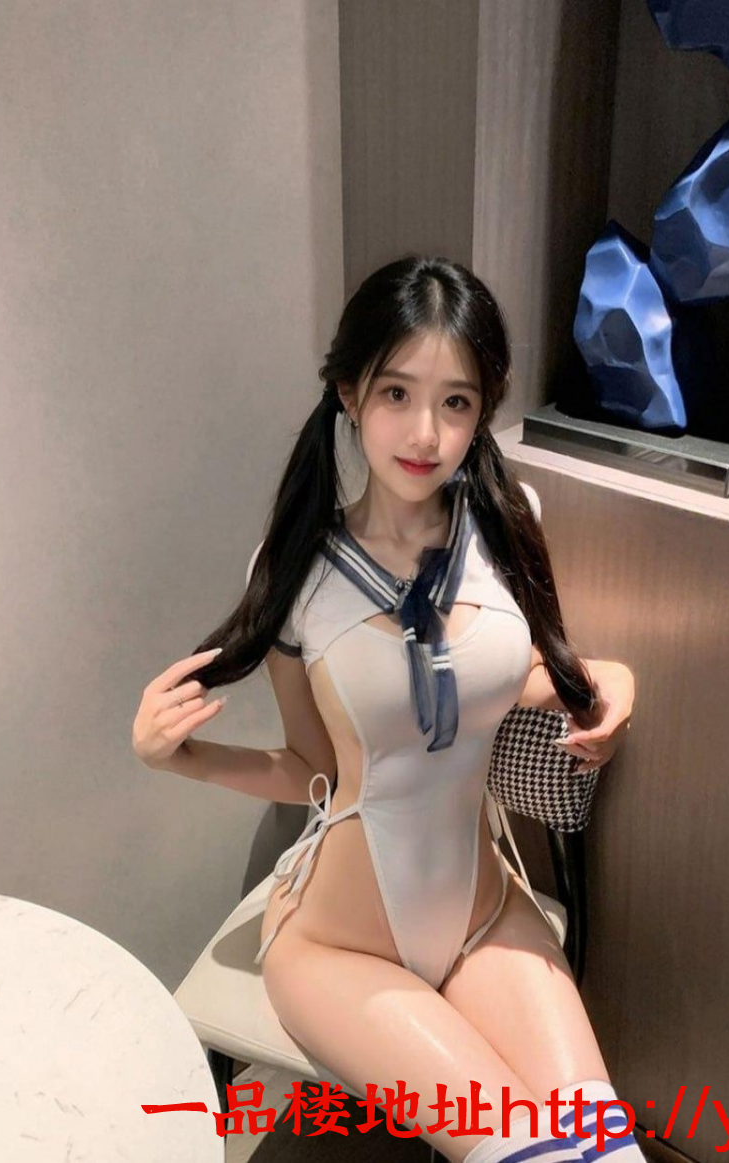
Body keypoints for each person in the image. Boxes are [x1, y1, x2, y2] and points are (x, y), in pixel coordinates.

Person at [133, 256, 638, 1163]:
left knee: (605, 1153)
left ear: (483, 408)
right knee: (530, 1154)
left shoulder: (510, 520)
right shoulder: (296, 571)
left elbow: (494, 679)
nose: (426, 432)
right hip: (339, 945)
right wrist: (181, 758)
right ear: (348, 392)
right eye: (397, 392)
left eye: (456, 401)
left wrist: (611, 679)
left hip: (487, 917)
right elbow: (312, 769)